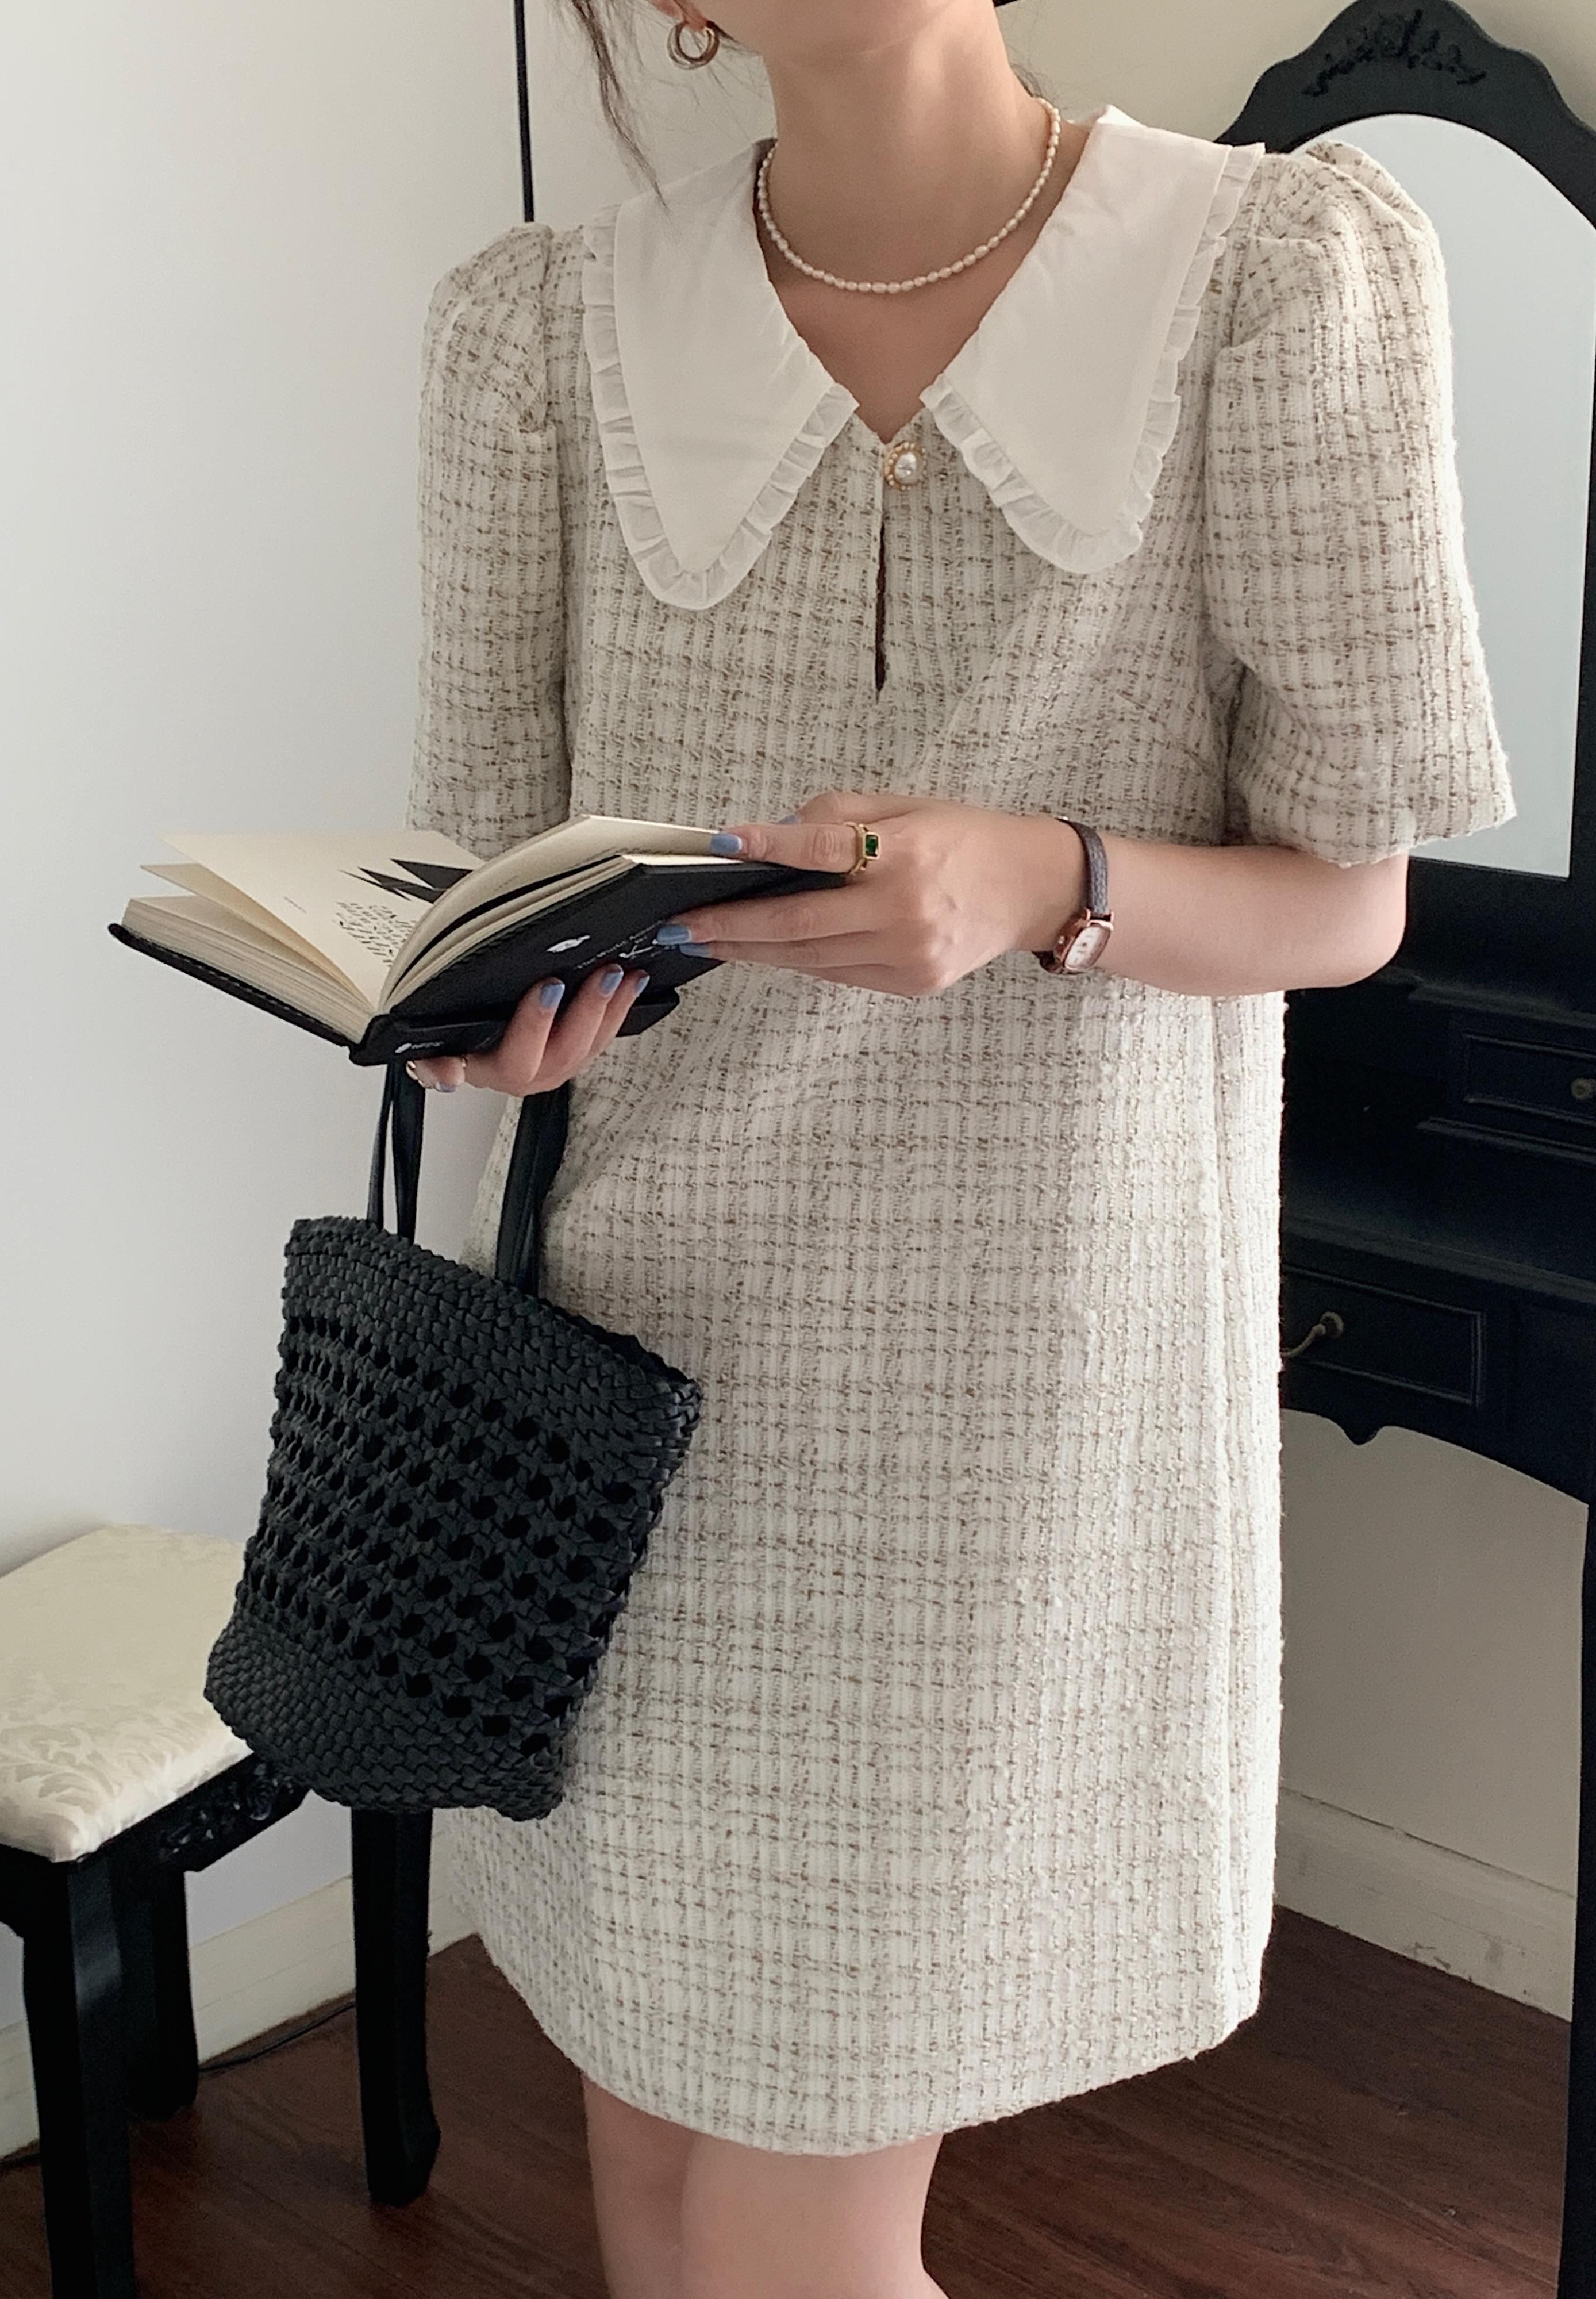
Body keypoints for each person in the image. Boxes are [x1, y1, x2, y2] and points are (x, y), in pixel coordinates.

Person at [403, 3, 1515, 2293]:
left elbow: (1352, 898)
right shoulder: (545, 335)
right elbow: (484, 884)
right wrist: (480, 1029)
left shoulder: (1267, 274)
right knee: (659, 2179)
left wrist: (1044, 879)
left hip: (1006, 1427)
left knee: (785, 2241)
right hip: (615, 1408)